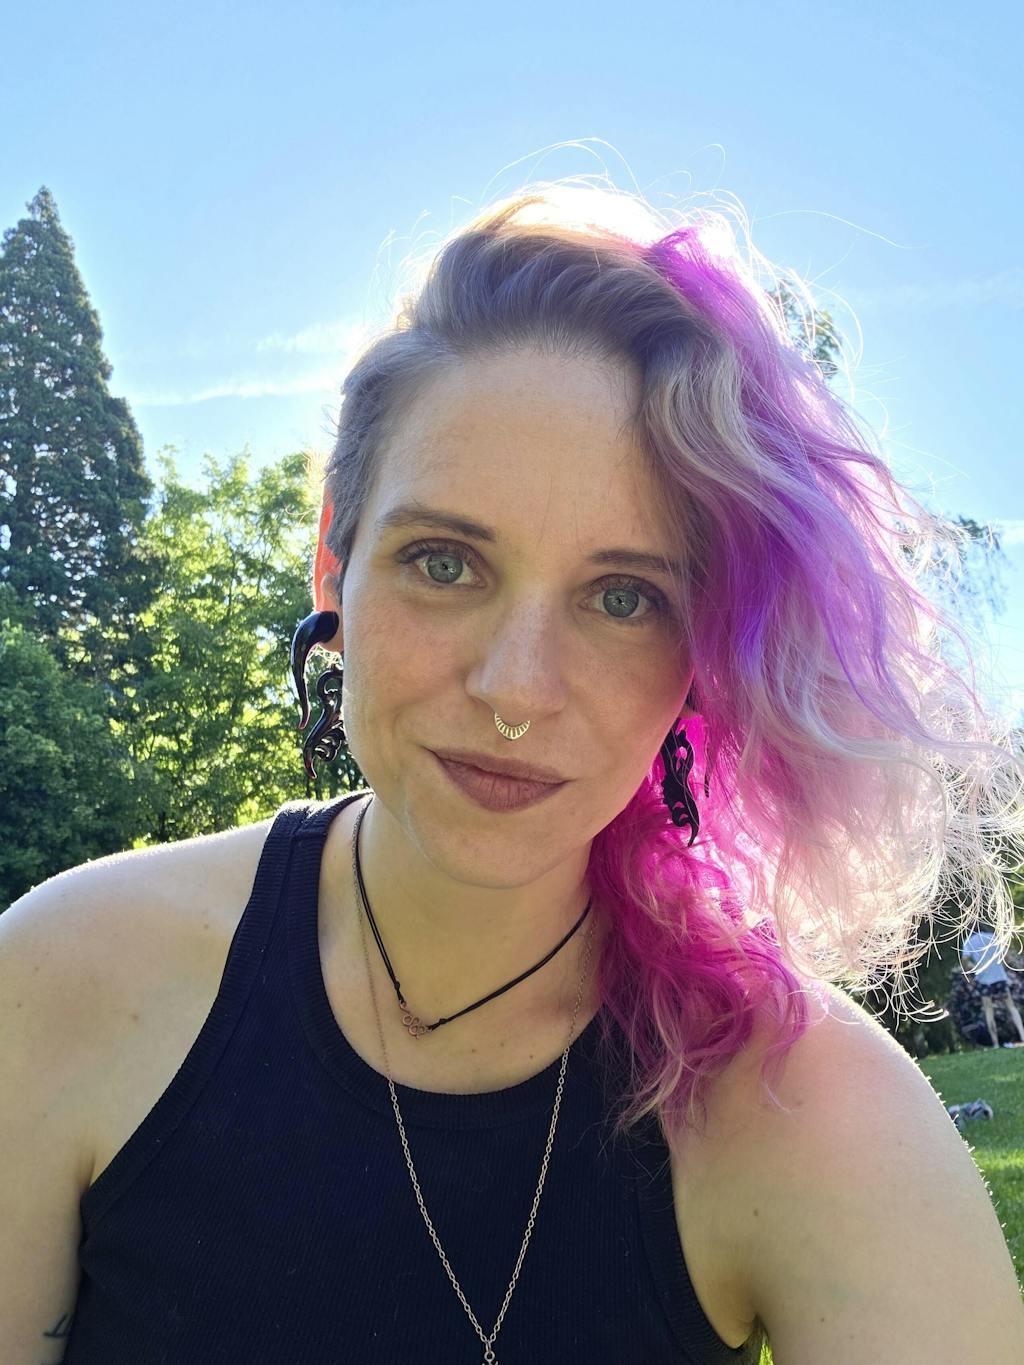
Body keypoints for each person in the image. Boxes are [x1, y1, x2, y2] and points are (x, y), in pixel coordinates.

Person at [4, 182, 1024, 1363]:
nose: (516, 690)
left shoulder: (804, 1104)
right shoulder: (64, 982)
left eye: (623, 597)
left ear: (701, 657)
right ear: (335, 559)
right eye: (444, 563)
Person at [960, 926, 1024, 1047]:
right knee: (1011, 1007)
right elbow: (1006, 956)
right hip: (1000, 977)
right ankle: (1023, 1036)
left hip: (984, 980)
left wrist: (968, 973)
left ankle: (995, 1043)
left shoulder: (969, 942)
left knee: (989, 1011)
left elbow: (964, 960)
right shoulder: (992, 937)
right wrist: (1002, 967)